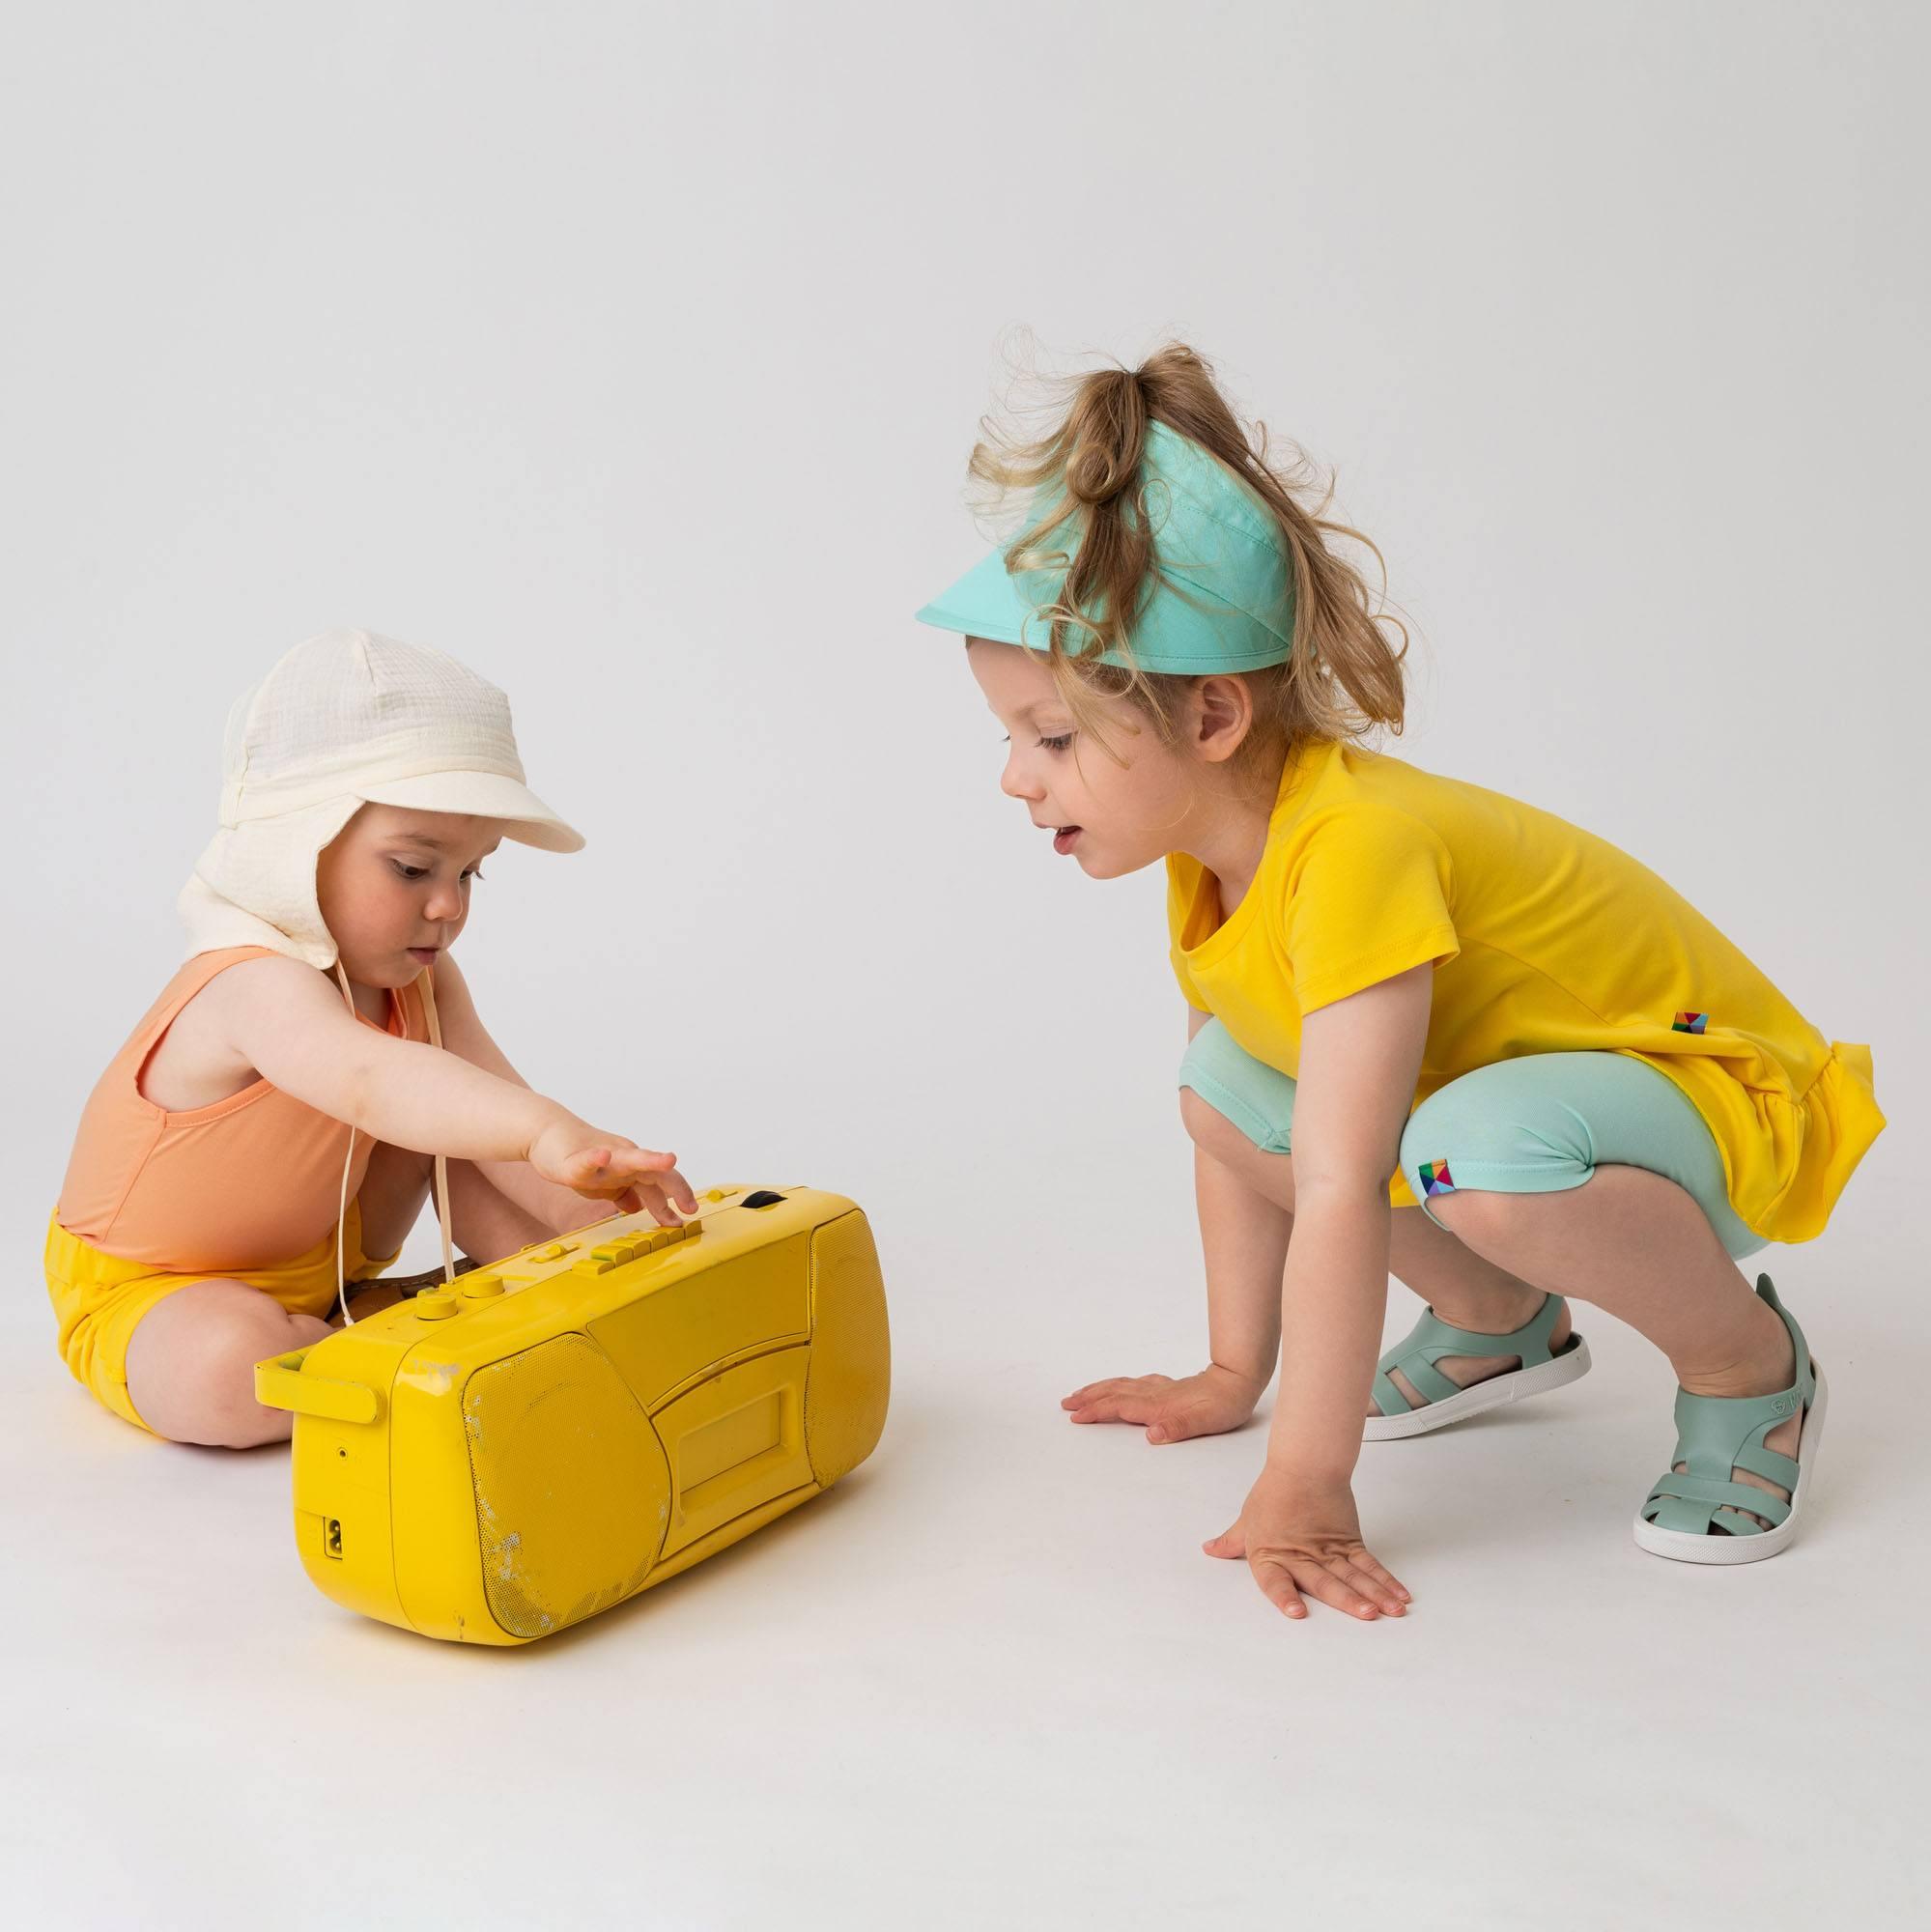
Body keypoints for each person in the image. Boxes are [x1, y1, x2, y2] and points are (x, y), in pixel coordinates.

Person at [916, 344, 1885, 1620]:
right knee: (1222, 1084)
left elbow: (1335, 1183)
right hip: (1530, 1116)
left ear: (1210, 721)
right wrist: (1227, 1372)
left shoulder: (1354, 848)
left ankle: (1746, 1366)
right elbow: (1251, 1140)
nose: (1012, 778)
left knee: (1467, 1154)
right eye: (1007, 737)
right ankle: (1496, 1317)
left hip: (1709, 1099)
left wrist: (1305, 1477)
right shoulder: (1207, 852)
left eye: (1049, 738)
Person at [44, 628, 697, 1448]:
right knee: (227, 1371)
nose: (450, 905)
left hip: (330, 1266)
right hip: (157, 1294)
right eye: (412, 868)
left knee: (471, 1123)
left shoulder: (417, 980)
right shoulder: (249, 979)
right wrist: (540, 1131)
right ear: (297, 848)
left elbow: (491, 1113)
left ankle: (576, 1281)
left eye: (471, 872)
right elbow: (369, 1081)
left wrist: (600, 1195)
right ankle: (415, 1344)